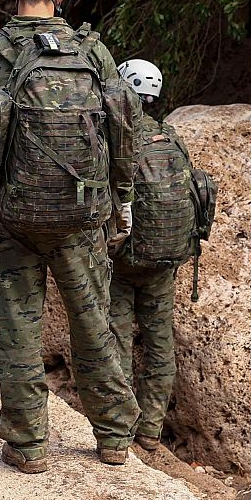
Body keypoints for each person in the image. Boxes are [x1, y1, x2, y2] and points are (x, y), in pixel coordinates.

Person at [0, 0, 139, 472]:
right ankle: (112, 438)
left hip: (15, 220)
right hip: (83, 218)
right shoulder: (95, 55)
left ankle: (28, 446)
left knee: (18, 331)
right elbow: (124, 134)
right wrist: (120, 201)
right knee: (94, 326)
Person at [109, 59, 194, 452]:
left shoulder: (120, 136)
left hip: (123, 260)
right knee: (160, 344)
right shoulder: (171, 137)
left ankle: (120, 430)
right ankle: (150, 432)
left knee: (117, 340)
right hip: (165, 260)